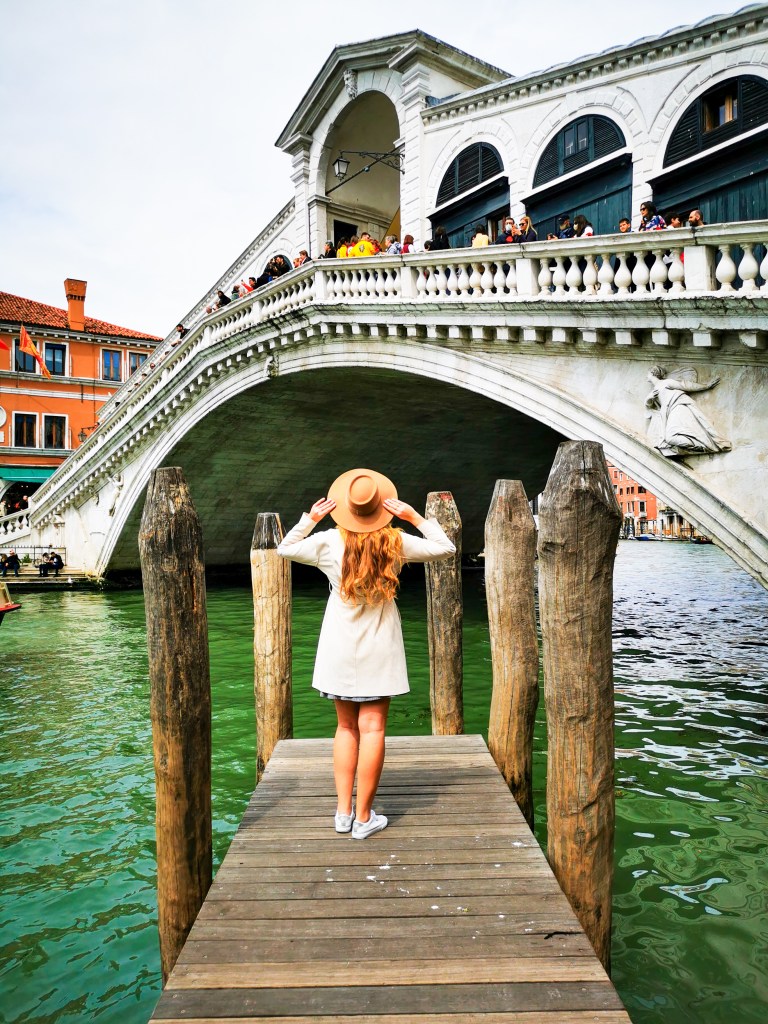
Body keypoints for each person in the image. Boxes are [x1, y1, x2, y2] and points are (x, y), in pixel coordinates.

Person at [277, 469, 456, 839]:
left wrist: (309, 519)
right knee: (373, 729)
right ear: (382, 507)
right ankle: (364, 818)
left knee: (345, 728)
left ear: (345, 508)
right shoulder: (396, 542)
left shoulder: (328, 541)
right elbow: (446, 548)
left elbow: (285, 548)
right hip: (379, 648)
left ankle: (342, 814)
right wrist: (415, 517)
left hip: (339, 647)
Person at [645, 366, 731, 457]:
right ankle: (700, 445)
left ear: (652, 373)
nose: (646, 376)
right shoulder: (654, 391)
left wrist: (706, 386)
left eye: (647, 373)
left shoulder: (665, 383)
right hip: (668, 412)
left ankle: (704, 444)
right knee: (669, 438)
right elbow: (650, 407)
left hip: (678, 407)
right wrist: (648, 399)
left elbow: (685, 385)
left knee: (670, 438)